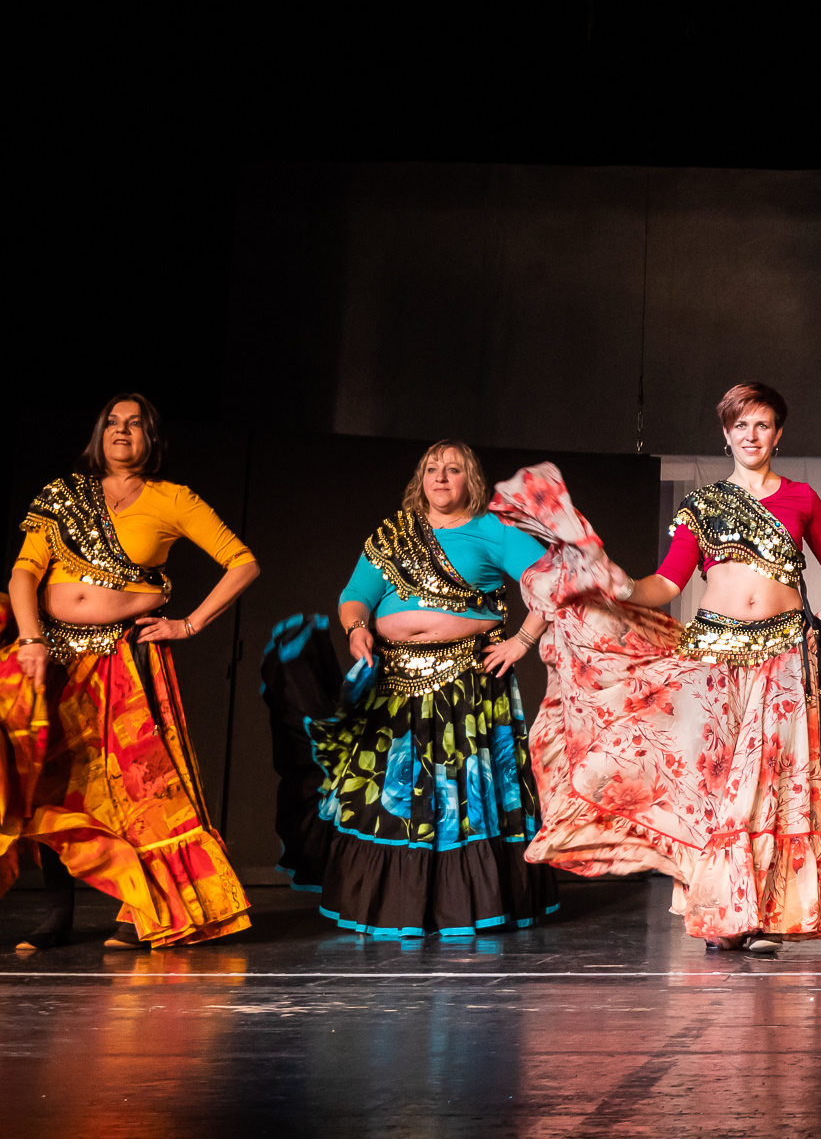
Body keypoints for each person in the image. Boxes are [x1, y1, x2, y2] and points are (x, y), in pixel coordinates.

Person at [523, 382, 821, 955]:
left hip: (782, 653)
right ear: (726, 434)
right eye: (741, 426)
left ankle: (759, 913)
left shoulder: (802, 498)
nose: (752, 436)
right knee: (718, 780)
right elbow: (668, 583)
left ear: (778, 433)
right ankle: (724, 911)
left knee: (769, 781)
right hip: (714, 653)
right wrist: (624, 586)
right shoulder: (701, 506)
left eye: (763, 425)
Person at [1, 394, 259, 949]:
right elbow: (24, 572)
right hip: (55, 655)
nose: (122, 431)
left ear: (152, 438)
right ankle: (57, 913)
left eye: (135, 424)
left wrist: (188, 624)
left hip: (124, 658)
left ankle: (139, 911)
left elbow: (243, 562)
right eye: (113, 423)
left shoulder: (173, 499)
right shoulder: (64, 495)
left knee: (139, 785)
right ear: (100, 434)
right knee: (53, 780)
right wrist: (30, 637)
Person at [286, 439, 557, 938]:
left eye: (452, 469)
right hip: (393, 683)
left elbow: (553, 581)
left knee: (458, 799)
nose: (440, 477)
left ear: (470, 480)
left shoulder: (492, 530)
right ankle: (394, 905)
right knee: (395, 798)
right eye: (432, 469)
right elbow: (356, 595)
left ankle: (465, 905)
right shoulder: (394, 533)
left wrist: (521, 641)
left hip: (465, 687)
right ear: (421, 478)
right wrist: (356, 628)